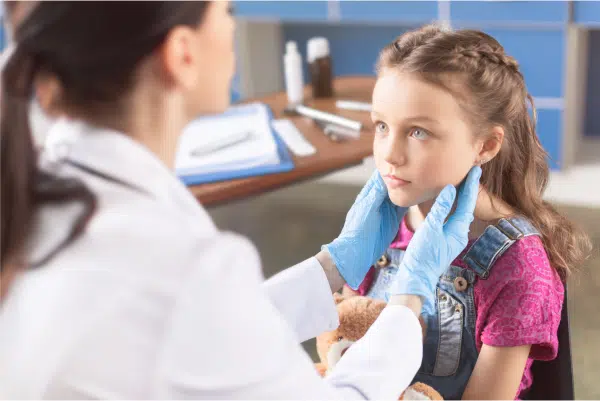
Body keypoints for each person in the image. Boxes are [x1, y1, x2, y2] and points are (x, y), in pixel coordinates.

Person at [0, 2, 483, 399]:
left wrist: (332, 266)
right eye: (226, 10)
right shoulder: (182, 268)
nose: (233, 23)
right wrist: (406, 303)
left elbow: (204, 337)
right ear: (181, 54)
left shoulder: (45, 185)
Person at [342, 25, 593, 400]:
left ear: (486, 145)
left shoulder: (519, 267)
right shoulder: (378, 226)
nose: (389, 155)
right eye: (382, 126)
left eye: (418, 132)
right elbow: (342, 341)